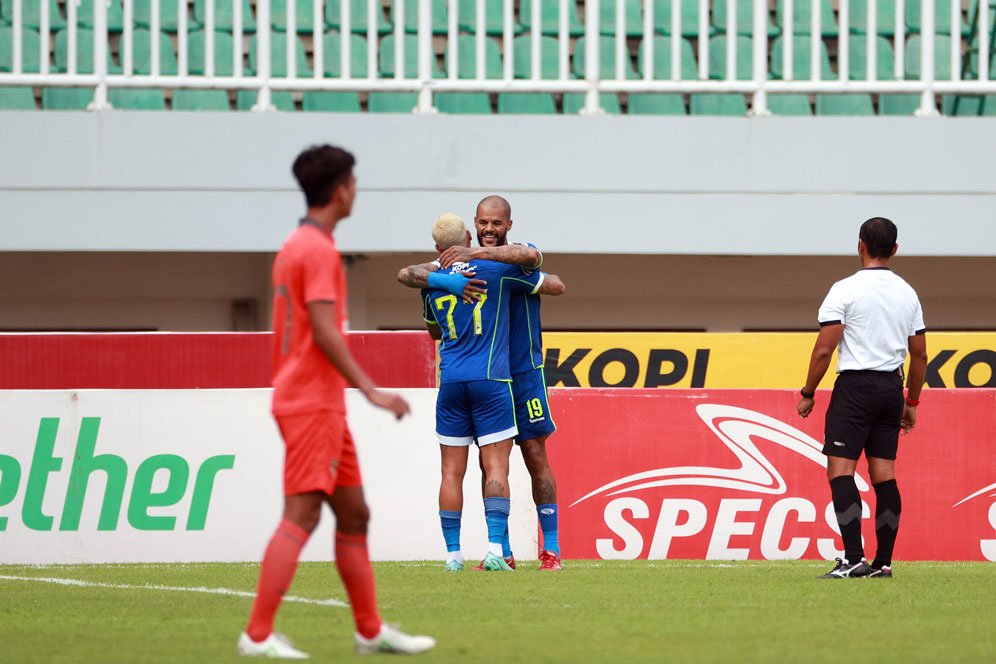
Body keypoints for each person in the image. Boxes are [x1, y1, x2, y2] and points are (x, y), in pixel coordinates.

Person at [238, 145, 435, 658]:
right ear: (342, 188)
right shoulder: (319, 250)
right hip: (311, 402)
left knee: (354, 515)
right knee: (301, 516)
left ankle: (369, 631)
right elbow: (324, 331)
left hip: (315, 400)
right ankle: (256, 635)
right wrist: (371, 390)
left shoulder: (295, 244)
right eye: (354, 181)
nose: (356, 190)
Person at [399, 197, 566, 571]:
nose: (490, 229)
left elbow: (552, 280)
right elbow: (412, 273)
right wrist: (451, 276)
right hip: (491, 376)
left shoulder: (513, 261)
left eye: (497, 223)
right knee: (489, 463)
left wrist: (481, 260)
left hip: (523, 373)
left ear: (508, 225)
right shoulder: (466, 267)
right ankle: (501, 549)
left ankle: (551, 549)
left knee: (536, 458)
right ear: (474, 224)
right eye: (484, 223)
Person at [797, 217, 927, 580]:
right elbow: (919, 356)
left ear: (860, 245)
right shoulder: (908, 293)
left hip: (855, 388)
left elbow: (825, 349)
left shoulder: (845, 289)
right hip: (891, 387)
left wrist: (808, 393)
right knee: (884, 474)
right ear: (895, 249)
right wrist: (911, 403)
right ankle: (883, 564)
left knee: (841, 470)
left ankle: (853, 557)